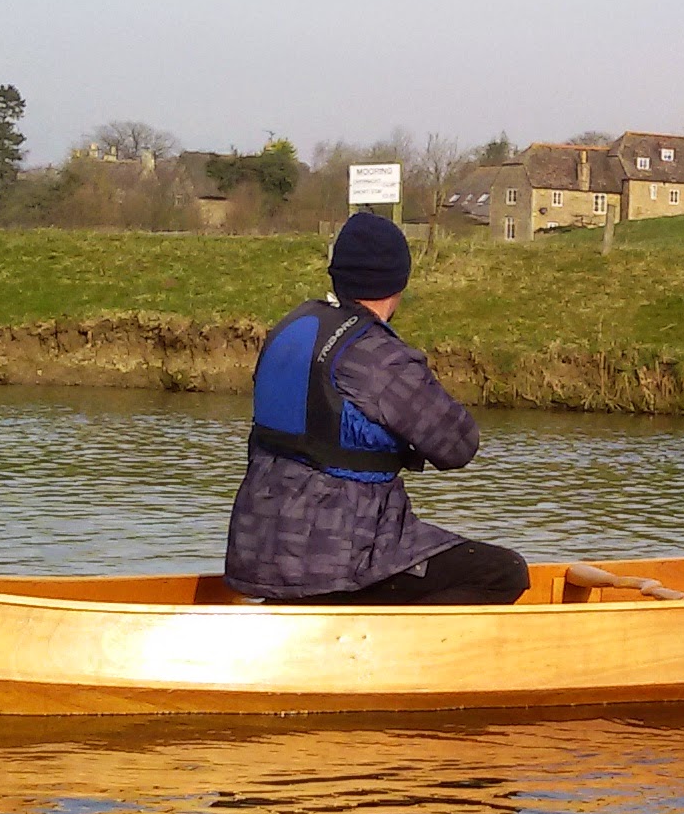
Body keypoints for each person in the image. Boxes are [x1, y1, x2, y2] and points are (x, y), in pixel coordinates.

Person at [223, 211, 530, 606]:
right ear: (398, 282)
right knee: (504, 573)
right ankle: (385, 655)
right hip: (340, 558)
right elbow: (458, 445)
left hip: (256, 552)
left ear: (337, 275)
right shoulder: (380, 357)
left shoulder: (288, 331)